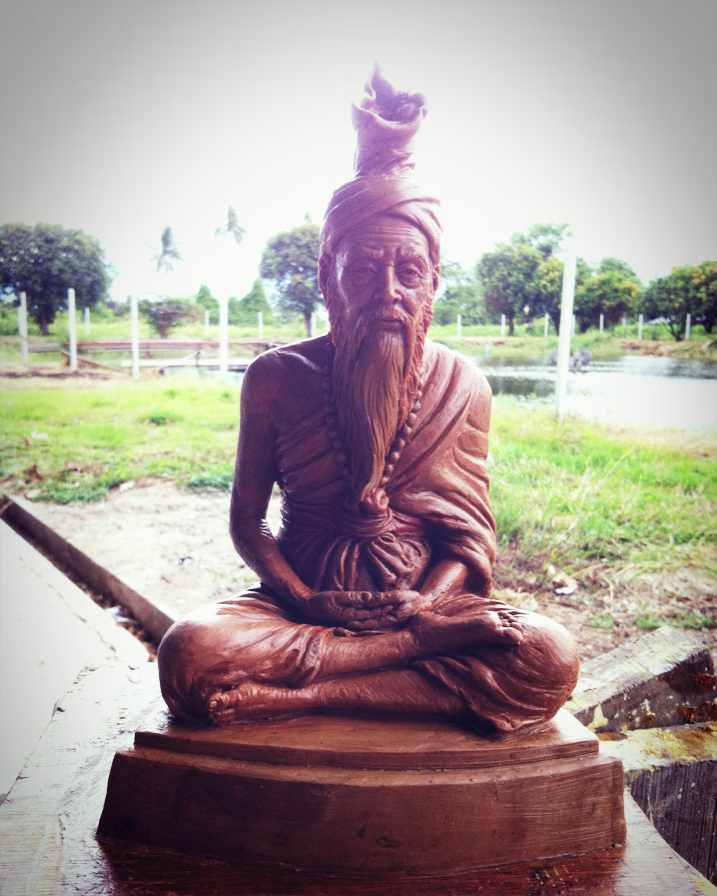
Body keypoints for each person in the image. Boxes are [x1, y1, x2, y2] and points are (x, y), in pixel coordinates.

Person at [158, 69, 578, 735]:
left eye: (408, 271)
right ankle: (394, 664)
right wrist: (305, 599)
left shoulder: (462, 384)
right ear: (329, 278)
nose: (388, 292)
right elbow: (248, 523)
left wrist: (424, 608)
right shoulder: (277, 377)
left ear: (432, 282)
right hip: (300, 609)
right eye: (363, 269)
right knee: (189, 653)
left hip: (424, 609)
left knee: (549, 656)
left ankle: (302, 697)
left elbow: (468, 541)